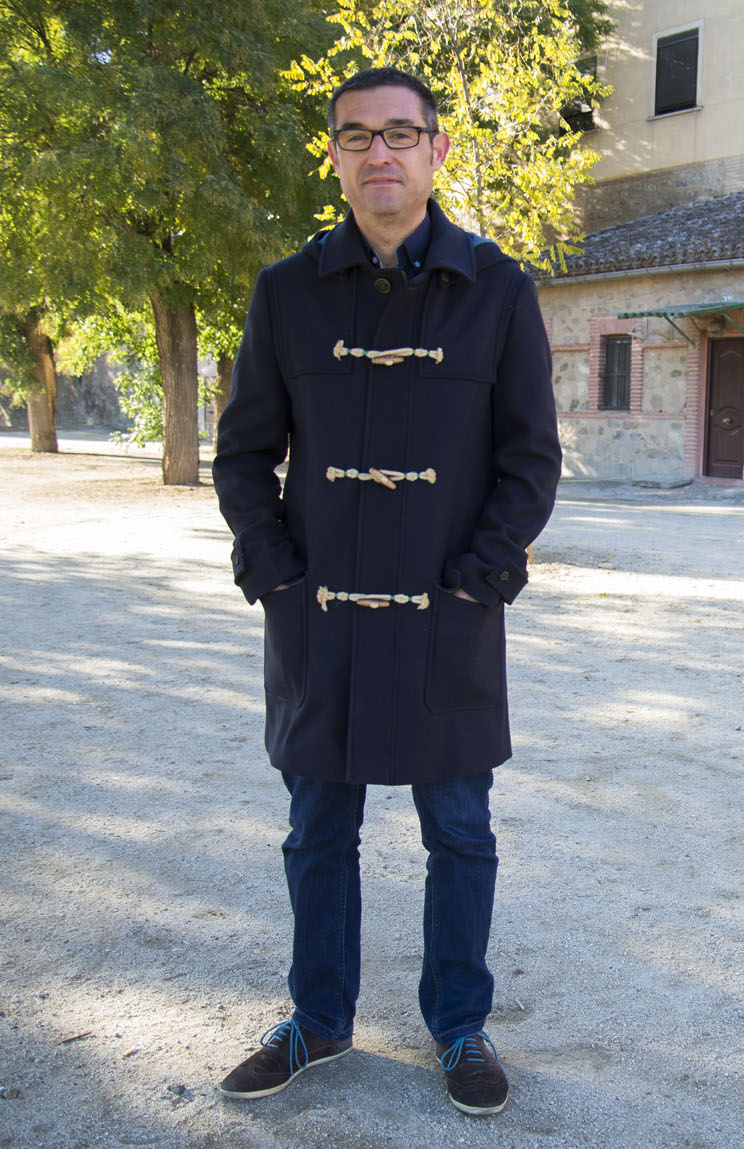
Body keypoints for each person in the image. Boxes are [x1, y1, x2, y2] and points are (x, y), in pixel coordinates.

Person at [209, 65, 561, 1117]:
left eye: (400, 135)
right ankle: (317, 1019)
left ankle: (459, 1025)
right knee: (316, 828)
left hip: (447, 621)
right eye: (356, 136)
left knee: (459, 829)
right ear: (333, 156)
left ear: (437, 151)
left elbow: (530, 458)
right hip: (318, 623)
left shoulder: (499, 290)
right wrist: (275, 576)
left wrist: (478, 581)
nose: (380, 155)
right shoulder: (284, 292)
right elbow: (242, 457)